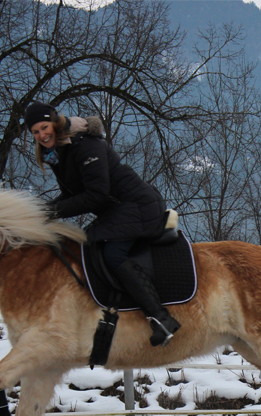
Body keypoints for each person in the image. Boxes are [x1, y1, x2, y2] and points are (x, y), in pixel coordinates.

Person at [23, 101, 180, 347]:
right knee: (86, 248)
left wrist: (53, 210)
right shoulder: (59, 154)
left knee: (113, 254)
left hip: (137, 204)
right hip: (118, 208)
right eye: (35, 132)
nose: (41, 135)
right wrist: (42, 211)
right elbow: (73, 193)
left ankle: (161, 318)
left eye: (44, 127)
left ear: (54, 123)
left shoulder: (84, 145)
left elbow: (97, 193)